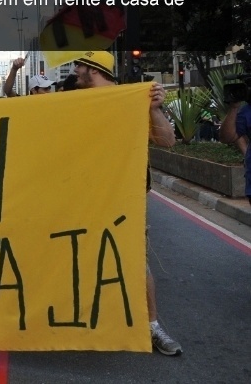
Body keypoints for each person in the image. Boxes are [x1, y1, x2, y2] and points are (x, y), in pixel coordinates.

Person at [70, 50, 182, 356]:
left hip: (124, 202)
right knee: (74, 256)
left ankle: (152, 326)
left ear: (93, 70)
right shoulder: (72, 103)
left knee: (135, 261)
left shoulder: (131, 100)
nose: (75, 70)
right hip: (81, 200)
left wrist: (155, 108)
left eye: (80, 65)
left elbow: (168, 141)